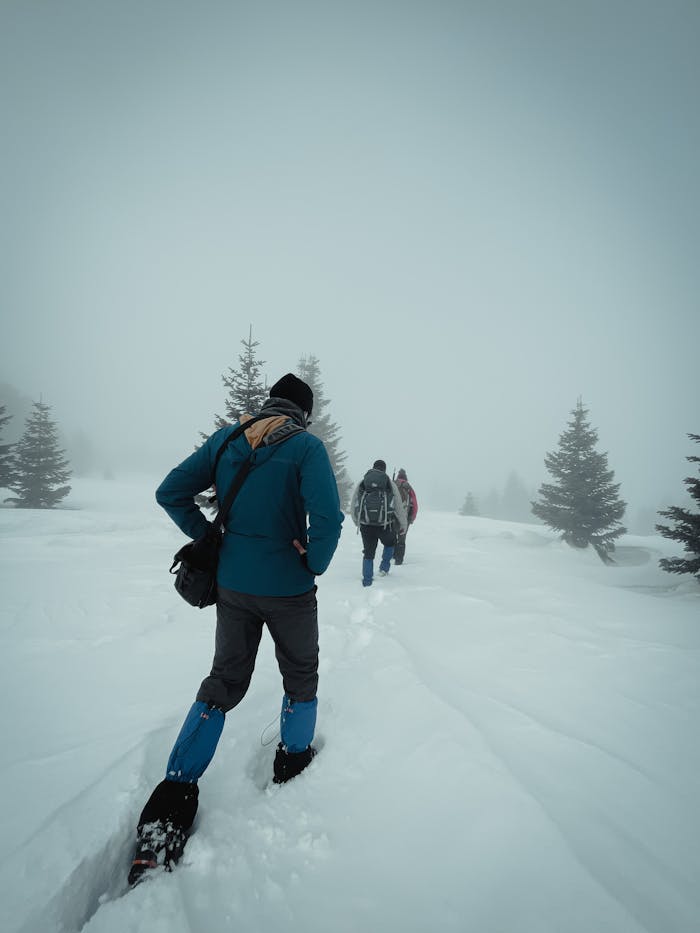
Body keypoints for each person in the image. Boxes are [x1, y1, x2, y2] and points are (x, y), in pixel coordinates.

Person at [128, 373, 344, 885]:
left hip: (233, 586)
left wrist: (212, 539)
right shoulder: (307, 448)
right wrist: (313, 562)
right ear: (303, 413)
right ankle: (291, 761)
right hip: (289, 589)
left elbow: (170, 492)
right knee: (300, 674)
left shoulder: (230, 437)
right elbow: (328, 520)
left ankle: (172, 799)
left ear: (270, 402)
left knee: (224, 680)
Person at [349, 459, 407, 587]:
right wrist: (403, 524)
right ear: (384, 470)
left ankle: (367, 580)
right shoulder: (389, 483)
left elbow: (354, 504)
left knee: (368, 553)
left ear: (373, 467)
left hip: (366, 524)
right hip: (385, 524)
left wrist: (357, 521)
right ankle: (384, 568)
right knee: (390, 544)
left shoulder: (363, 482)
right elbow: (398, 506)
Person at [393, 468, 418, 565]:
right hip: (405, 516)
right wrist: (412, 518)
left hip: (392, 516)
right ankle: (399, 560)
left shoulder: (393, 484)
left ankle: (392, 555)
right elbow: (414, 504)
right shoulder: (408, 487)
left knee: (392, 536)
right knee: (402, 538)